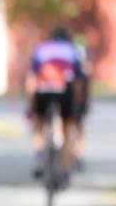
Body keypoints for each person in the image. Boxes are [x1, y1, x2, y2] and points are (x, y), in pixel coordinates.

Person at [25, 26, 83, 186]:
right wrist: (77, 105)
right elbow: (78, 82)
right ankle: (65, 171)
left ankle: (39, 157)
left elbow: (31, 79)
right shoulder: (71, 50)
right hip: (65, 90)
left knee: (39, 122)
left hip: (43, 89)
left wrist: (31, 105)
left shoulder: (41, 48)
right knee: (66, 128)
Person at [72, 34, 93, 171]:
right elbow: (87, 80)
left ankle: (73, 154)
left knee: (65, 125)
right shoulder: (85, 59)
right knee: (79, 127)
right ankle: (79, 155)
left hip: (70, 94)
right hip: (79, 97)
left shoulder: (70, 53)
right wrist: (87, 101)